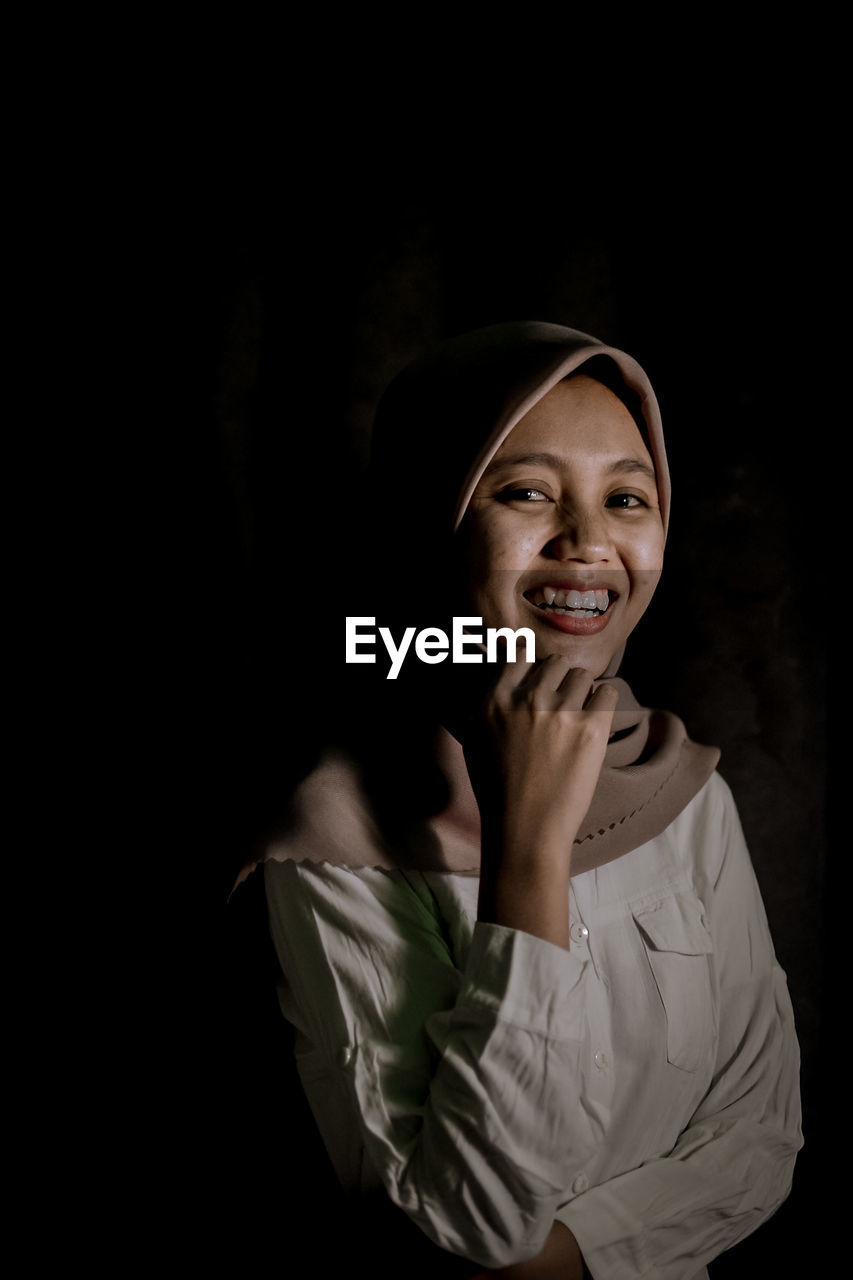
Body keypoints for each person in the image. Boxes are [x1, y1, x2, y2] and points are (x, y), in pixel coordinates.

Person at [240, 322, 802, 1278]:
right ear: (432, 521)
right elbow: (471, 1223)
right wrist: (528, 842)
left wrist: (564, 1263)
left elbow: (759, 1141)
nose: (587, 543)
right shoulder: (335, 835)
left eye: (627, 498)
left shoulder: (685, 791)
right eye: (527, 493)